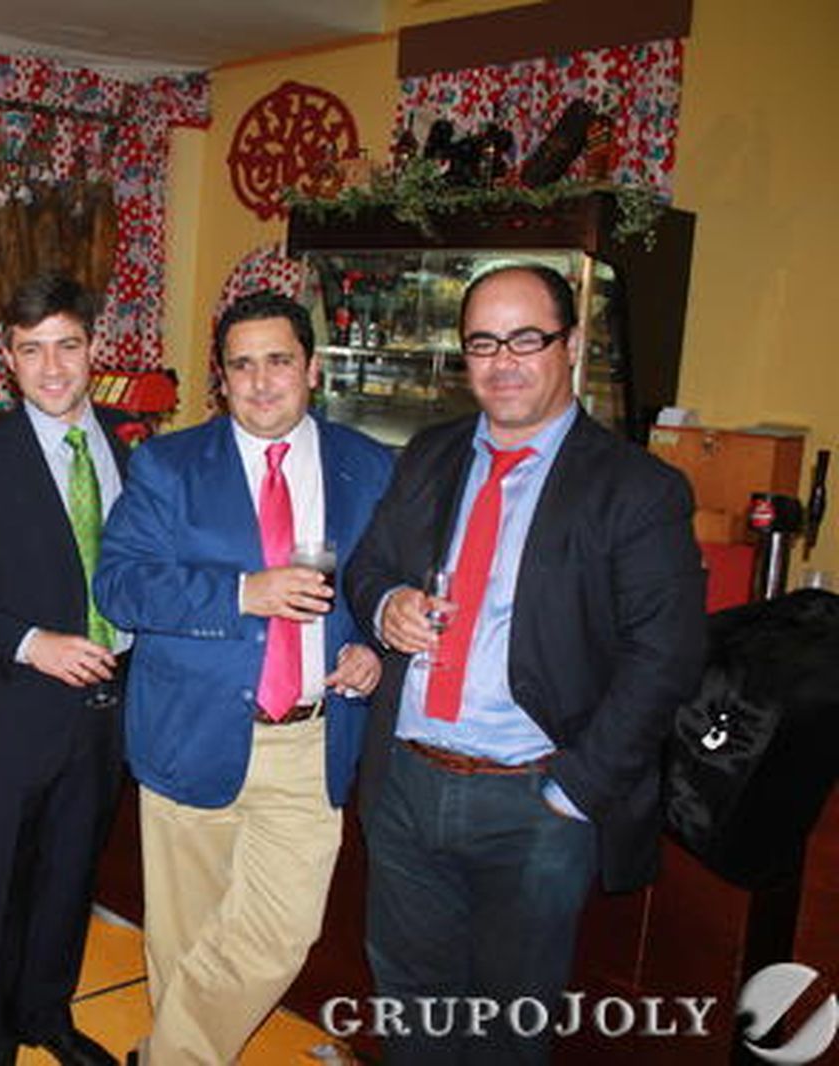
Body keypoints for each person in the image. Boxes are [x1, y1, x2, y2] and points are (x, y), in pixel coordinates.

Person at [342, 264, 707, 1065]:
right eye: (482, 342)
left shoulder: (637, 490)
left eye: (526, 339)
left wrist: (575, 792)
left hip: (534, 804)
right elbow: (366, 567)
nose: (503, 360)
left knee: (508, 1030)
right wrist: (387, 603)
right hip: (406, 785)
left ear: (570, 347)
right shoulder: (431, 456)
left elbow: (668, 655)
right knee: (408, 1007)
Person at [94, 290, 392, 1065]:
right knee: (184, 944)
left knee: (278, 935)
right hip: (188, 732)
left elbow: (384, 586)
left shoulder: (368, 465)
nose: (262, 382)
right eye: (242, 365)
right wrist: (239, 594)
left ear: (313, 368)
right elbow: (120, 586)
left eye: (279, 361)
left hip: (311, 738)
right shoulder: (168, 463)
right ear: (221, 379)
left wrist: (375, 651)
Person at [0, 273, 130, 1066]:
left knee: (70, 878)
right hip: (13, 707)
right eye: (31, 349)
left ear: (93, 349)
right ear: (5, 359)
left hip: (109, 708)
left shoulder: (128, 446)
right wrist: (30, 642)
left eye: (67, 346)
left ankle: (47, 1013)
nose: (52, 368)